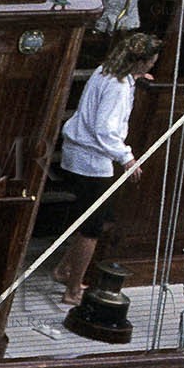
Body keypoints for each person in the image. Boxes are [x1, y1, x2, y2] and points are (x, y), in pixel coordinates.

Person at [54, 32, 161, 305]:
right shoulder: (116, 86)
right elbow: (105, 128)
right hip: (91, 160)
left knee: (105, 218)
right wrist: (127, 157)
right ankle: (73, 289)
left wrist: (136, 79)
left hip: (81, 154)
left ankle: (65, 269)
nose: (152, 67)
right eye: (150, 63)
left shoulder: (108, 71)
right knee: (92, 227)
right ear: (140, 62)